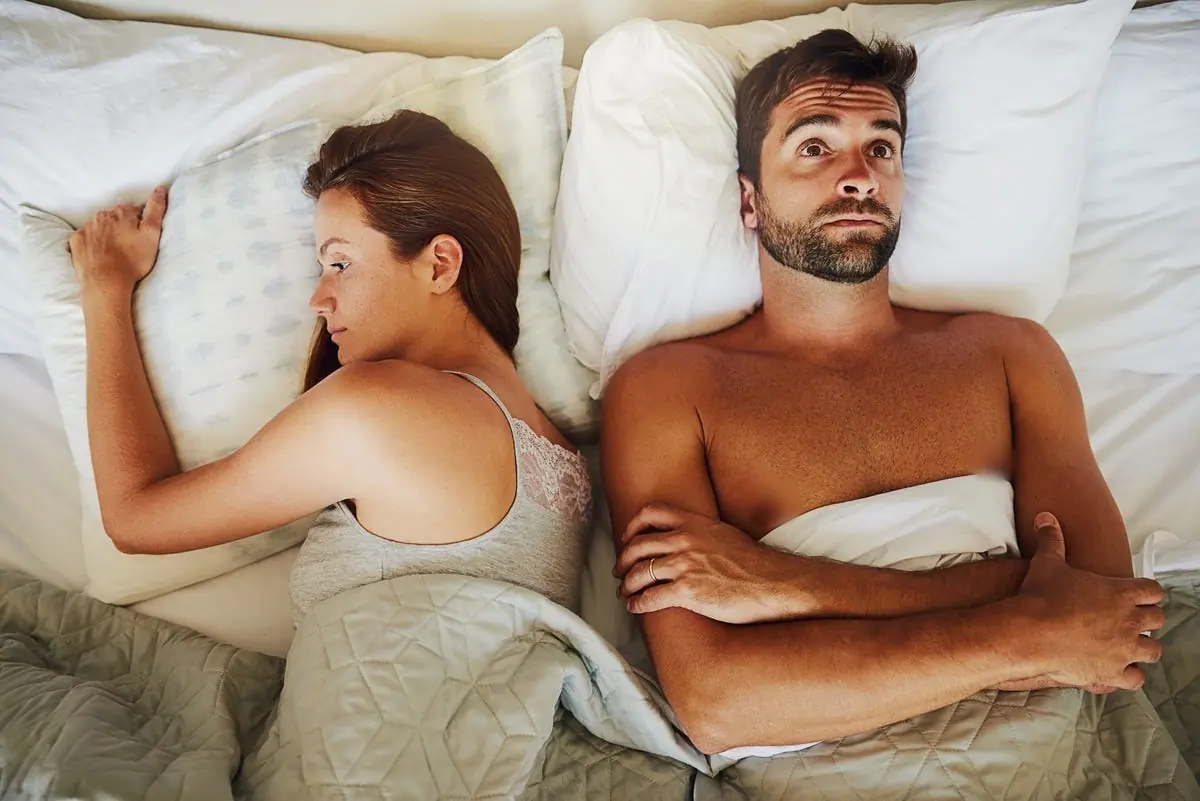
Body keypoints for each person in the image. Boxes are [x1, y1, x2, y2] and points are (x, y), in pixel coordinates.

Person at [601, 30, 1165, 756]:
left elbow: (1109, 616)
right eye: (815, 147)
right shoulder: (668, 389)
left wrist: (787, 582)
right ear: (749, 200)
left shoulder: (1011, 355)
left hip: (1051, 751)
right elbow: (716, 705)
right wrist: (1027, 623)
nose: (860, 176)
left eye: (882, 147)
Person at [67, 110, 592, 621]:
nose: (317, 300)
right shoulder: (562, 458)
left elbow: (134, 520)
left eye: (340, 263)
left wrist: (104, 288)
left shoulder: (377, 410)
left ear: (440, 264)